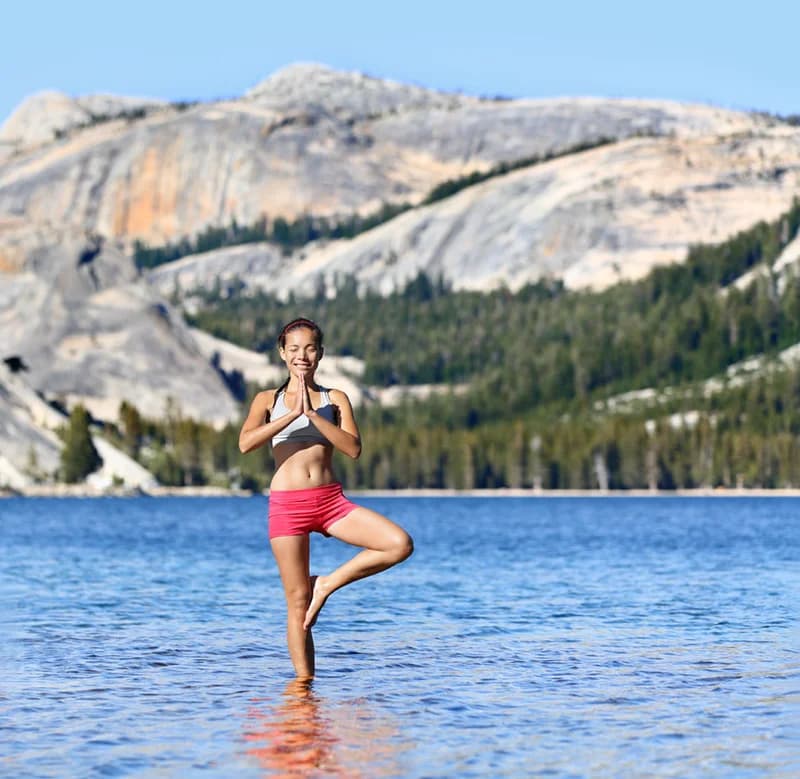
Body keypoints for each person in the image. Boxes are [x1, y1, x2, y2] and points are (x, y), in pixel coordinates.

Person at [239, 317, 413, 679]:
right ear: (282, 354)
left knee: (399, 544)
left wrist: (313, 417)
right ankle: (305, 689)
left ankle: (327, 583)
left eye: (310, 348)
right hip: (287, 507)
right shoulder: (266, 400)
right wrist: (289, 418)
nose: (302, 356)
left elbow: (353, 449)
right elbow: (246, 443)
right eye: (294, 349)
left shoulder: (335, 399)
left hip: (330, 502)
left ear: (320, 354)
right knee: (297, 602)